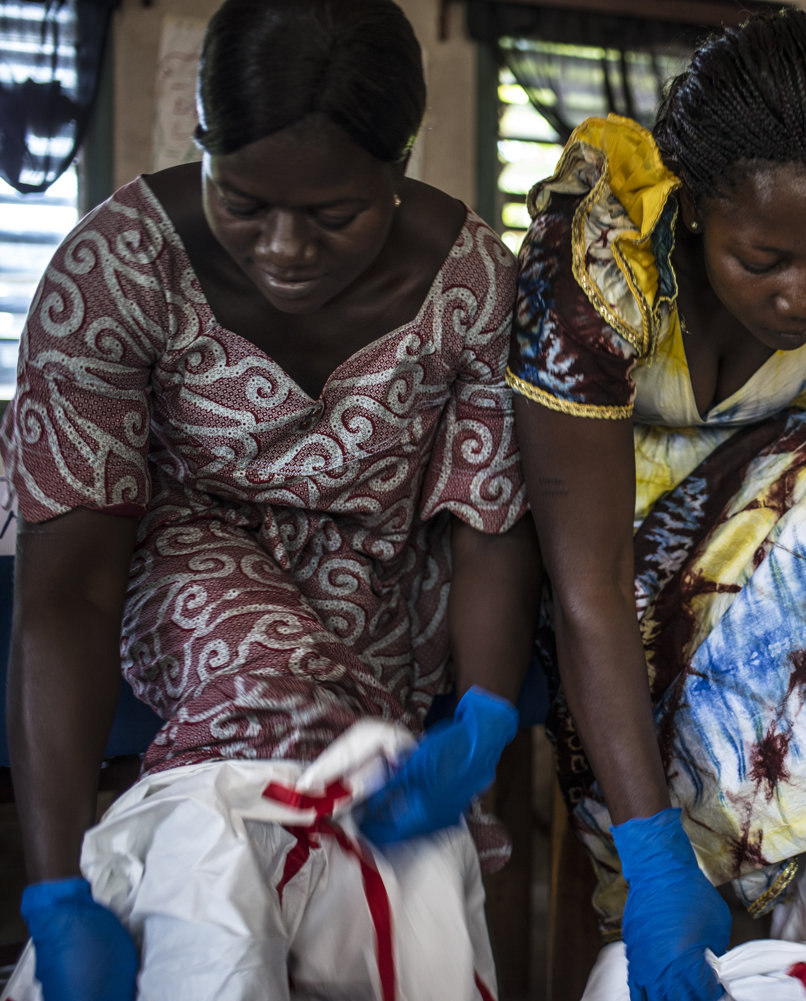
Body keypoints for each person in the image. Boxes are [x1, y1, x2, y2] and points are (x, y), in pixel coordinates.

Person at [2, 1, 538, 997]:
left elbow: (489, 530)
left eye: (332, 215)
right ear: (201, 140)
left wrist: (486, 713)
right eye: (243, 200)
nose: (284, 246)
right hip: (179, 566)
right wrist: (52, 887)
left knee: (330, 815)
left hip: (380, 597)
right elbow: (68, 585)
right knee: (286, 739)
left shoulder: (472, 288)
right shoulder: (116, 270)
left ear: (401, 162)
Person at [509, 10, 806, 999]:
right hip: (604, 615)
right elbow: (583, 585)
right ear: (696, 207)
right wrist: (653, 852)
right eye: (764, 257)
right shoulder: (603, 272)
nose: (805, 293)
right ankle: (694, 874)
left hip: (770, 623)